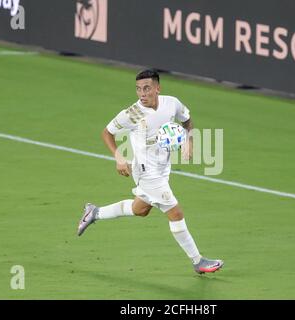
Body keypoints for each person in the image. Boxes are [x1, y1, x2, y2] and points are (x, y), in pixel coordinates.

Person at [77, 69, 223, 274]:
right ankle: (198, 261)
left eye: (146, 88)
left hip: (163, 168)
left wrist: (188, 141)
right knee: (175, 212)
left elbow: (186, 120)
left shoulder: (172, 103)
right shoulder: (133, 113)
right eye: (138, 89)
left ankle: (95, 213)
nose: (142, 94)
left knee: (141, 210)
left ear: (157, 88)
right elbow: (106, 133)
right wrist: (119, 157)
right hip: (146, 171)